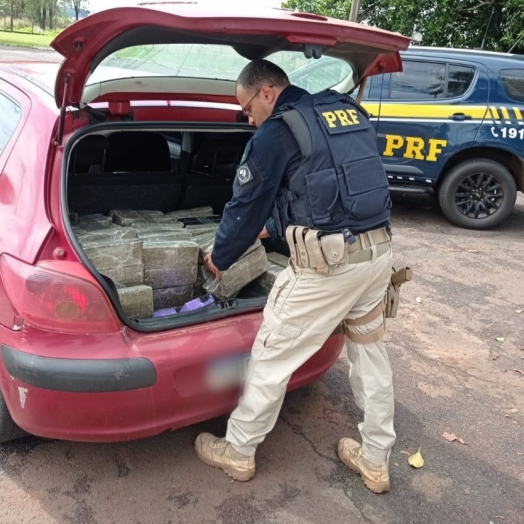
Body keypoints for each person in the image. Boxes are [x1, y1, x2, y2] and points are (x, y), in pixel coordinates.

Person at [196, 59, 395, 494]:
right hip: (377, 256)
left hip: (328, 269)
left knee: (270, 356)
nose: (248, 119)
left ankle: (238, 451)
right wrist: (280, 223)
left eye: (247, 108)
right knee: (370, 357)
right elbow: (331, 185)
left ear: (266, 92)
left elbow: (245, 205)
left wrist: (223, 256)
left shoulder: (277, 131)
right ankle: (376, 460)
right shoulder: (339, 112)